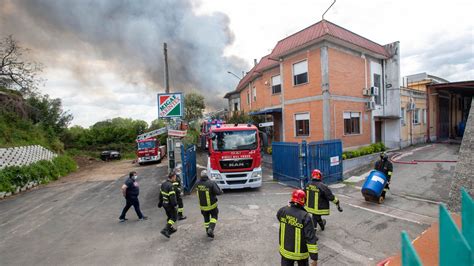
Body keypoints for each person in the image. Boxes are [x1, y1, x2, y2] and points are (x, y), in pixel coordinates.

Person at [277, 189, 318, 266]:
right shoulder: (305, 216)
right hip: (301, 255)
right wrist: (314, 258)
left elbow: (279, 217)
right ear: (304, 200)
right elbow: (310, 238)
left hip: (285, 252)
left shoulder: (283, 210)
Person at [196, 169, 223, 238]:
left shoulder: (197, 183)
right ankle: (211, 229)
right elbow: (218, 192)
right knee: (214, 216)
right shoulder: (211, 183)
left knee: (206, 219)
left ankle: (208, 232)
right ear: (207, 175)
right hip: (212, 206)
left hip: (202, 207)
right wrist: (220, 190)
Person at [158, 171, 179, 238]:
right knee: (174, 218)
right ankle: (165, 229)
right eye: (175, 177)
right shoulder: (171, 186)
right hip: (170, 205)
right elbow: (172, 197)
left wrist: (160, 203)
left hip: (165, 204)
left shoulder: (163, 184)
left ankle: (170, 229)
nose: (175, 178)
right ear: (172, 177)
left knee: (169, 217)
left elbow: (160, 194)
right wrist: (175, 205)